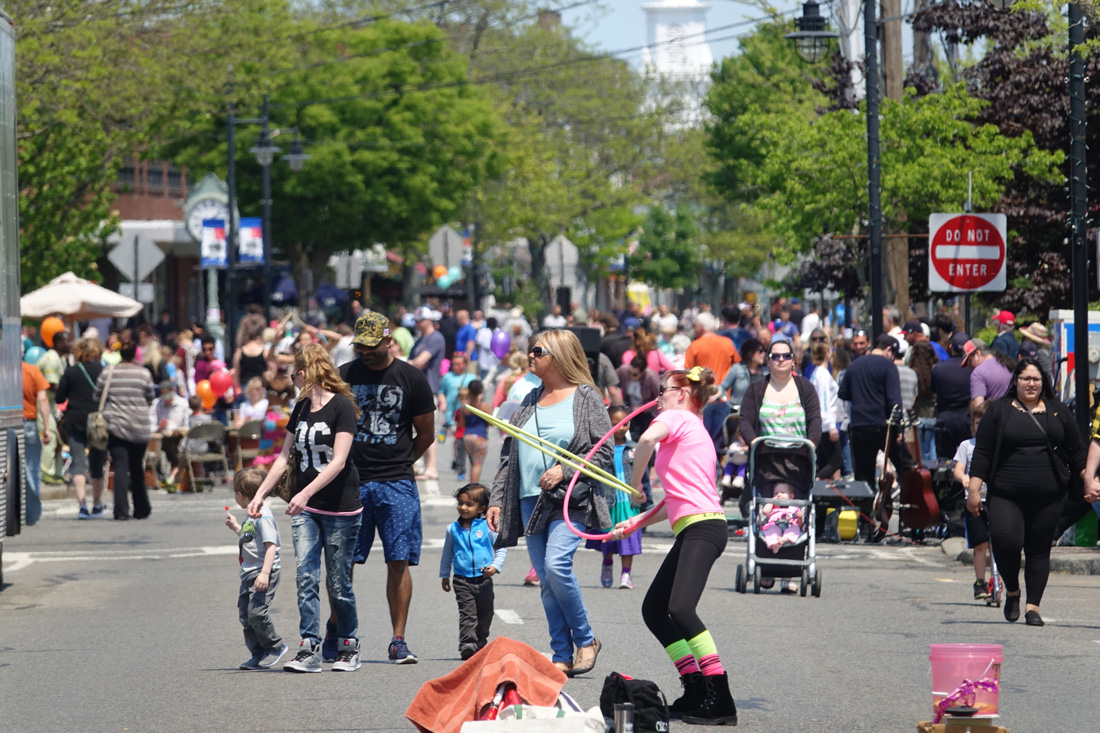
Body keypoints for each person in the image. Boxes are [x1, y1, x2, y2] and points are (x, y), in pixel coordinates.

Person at [609, 367, 737, 727]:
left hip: (705, 526)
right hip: (693, 526)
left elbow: (645, 441)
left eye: (663, 390)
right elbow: (675, 501)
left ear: (681, 393)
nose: (657, 397)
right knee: (654, 609)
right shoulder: (685, 430)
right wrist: (635, 521)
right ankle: (694, 687)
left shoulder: (679, 417)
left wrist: (635, 485)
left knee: (680, 608)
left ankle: (719, 695)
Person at [487, 329, 613, 678]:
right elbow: (509, 455)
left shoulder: (586, 397)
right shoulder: (529, 398)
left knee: (557, 567)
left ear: (557, 355)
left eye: (537, 351)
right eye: (530, 350)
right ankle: (561, 651)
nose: (530, 355)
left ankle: (586, 640)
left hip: (570, 499)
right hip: (529, 498)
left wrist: (565, 468)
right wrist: (497, 499)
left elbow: (603, 449)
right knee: (545, 579)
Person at [249, 343, 364, 672]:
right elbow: (284, 457)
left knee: (338, 582)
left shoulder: (341, 407)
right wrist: (261, 493)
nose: (290, 377)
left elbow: (339, 461)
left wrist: (306, 492)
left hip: (340, 508)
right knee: (305, 577)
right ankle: (309, 646)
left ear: (307, 371)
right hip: (307, 511)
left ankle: (348, 646)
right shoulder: (300, 409)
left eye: (293, 372)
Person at [340, 311, 435, 664]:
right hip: (352, 482)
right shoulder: (345, 376)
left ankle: (398, 640)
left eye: (371, 345)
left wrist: (400, 461)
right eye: (360, 346)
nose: (365, 351)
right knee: (343, 561)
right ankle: (341, 632)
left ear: (387, 340)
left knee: (398, 561)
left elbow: (425, 433)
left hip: (396, 483)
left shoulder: (411, 377)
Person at [967, 357, 1088, 626]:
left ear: (1043, 382)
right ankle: (1012, 590)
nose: (1031, 384)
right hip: (1005, 492)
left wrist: (1088, 479)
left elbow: (1077, 451)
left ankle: (1033, 606)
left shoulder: (1058, 411)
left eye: (1036, 379)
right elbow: (983, 454)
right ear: (1016, 382)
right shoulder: (998, 411)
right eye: (1025, 379)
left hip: (1050, 494)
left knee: (1038, 548)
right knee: (1005, 540)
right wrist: (974, 490)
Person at [837, 334, 911, 541]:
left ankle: (866, 525)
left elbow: (844, 394)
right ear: (889, 350)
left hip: (859, 425)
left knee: (863, 478)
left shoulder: (854, 365)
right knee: (907, 468)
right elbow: (894, 402)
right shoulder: (888, 367)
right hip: (883, 426)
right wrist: (899, 430)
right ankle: (911, 518)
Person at [738, 338, 822, 515]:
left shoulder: (805, 388)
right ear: (768, 361)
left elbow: (815, 420)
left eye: (786, 355)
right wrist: (753, 442)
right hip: (766, 459)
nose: (781, 359)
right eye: (775, 356)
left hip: (798, 459)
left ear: (793, 361)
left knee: (798, 511)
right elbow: (745, 420)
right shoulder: (755, 389)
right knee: (766, 512)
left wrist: (812, 444)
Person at [226, 468, 287, 670]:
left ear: (240, 495)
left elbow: (271, 546)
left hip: (263, 571)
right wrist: (236, 527)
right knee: (246, 614)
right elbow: (250, 540)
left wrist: (265, 573)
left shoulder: (263, 517)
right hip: (249, 572)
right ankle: (257, 653)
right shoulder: (251, 516)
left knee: (257, 613)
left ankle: (275, 646)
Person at [440, 483, 508, 660]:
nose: (463, 507)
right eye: (461, 503)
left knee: (486, 614)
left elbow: (501, 548)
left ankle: (480, 643)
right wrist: (444, 575)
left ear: (482, 508)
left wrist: (495, 566)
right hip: (462, 580)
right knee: (467, 614)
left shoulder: (487, 527)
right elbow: (447, 553)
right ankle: (467, 644)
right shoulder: (452, 529)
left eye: (469, 504)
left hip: (484, 579)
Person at [94, 341, 155, 521]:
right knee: (137, 467)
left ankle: (121, 510)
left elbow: (97, 396)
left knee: (120, 467)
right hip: (139, 426)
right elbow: (150, 397)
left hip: (116, 425)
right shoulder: (144, 374)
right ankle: (141, 508)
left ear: (120, 354)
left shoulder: (108, 373)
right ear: (135, 354)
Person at [585, 405, 642, 590]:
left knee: (628, 539)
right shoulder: (600, 449)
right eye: (615, 424)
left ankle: (626, 574)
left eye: (625, 424)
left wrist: (645, 499)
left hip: (629, 503)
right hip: (608, 502)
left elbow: (642, 478)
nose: (621, 428)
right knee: (608, 538)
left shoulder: (635, 449)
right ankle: (607, 563)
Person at [55, 337, 107, 518]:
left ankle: (82, 506)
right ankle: (97, 504)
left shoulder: (71, 372)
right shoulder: (102, 371)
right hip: (97, 422)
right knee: (97, 464)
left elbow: (59, 398)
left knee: (78, 464)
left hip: (75, 420)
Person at [684, 312, 740, 451]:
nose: (694, 329)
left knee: (703, 440)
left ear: (701, 327)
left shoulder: (695, 346)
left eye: (695, 326)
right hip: (724, 398)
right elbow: (738, 365)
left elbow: (687, 373)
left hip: (702, 401)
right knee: (720, 442)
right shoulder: (727, 343)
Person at [953, 402, 992, 601]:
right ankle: (980, 581)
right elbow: (958, 468)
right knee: (980, 545)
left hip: (995, 500)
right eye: (977, 423)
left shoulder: (998, 446)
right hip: (975, 500)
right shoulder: (967, 446)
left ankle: (997, 579)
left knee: (998, 544)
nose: (980, 427)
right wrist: (964, 478)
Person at [409, 306, 446, 480]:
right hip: (416, 390)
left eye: (418, 321)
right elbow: (413, 362)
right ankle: (422, 465)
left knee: (428, 429)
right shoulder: (419, 340)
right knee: (415, 429)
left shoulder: (436, 338)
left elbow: (419, 362)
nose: (416, 324)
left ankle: (431, 468)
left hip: (429, 389)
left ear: (427, 321)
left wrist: (408, 363)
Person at [36, 329, 72, 485]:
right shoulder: (51, 358)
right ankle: (46, 471)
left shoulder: (60, 359)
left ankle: (57, 473)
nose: (69, 343)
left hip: (52, 404)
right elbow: (51, 385)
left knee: (58, 440)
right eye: (66, 341)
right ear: (58, 343)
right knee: (49, 437)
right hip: (41, 403)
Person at [932, 332, 974, 460]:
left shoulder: (938, 369)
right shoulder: (973, 370)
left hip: (945, 419)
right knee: (968, 459)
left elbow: (934, 392)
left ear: (950, 347)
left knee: (943, 461)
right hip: (966, 420)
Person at [21, 359, 51, 526]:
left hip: (5, 422)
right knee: (31, 469)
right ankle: (31, 514)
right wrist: (47, 427)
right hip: (29, 422)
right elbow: (43, 399)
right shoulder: (32, 371)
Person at [440, 352, 476, 479]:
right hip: (452, 414)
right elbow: (441, 392)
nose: (456, 367)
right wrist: (442, 402)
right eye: (454, 364)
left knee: (465, 440)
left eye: (459, 364)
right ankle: (458, 458)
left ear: (465, 364)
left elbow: (478, 394)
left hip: (467, 415)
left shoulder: (471, 378)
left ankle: (463, 462)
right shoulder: (447, 377)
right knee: (457, 439)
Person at [809, 343, 842, 479]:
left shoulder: (816, 373)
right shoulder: (822, 374)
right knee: (836, 461)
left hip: (820, 424)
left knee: (824, 461)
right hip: (825, 425)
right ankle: (815, 482)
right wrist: (831, 426)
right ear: (827, 353)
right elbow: (824, 401)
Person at [965, 338, 1015, 414]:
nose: (970, 366)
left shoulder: (978, 372)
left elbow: (977, 406)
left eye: (969, 361)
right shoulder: (1007, 364)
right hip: (1011, 415)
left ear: (978, 354)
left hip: (992, 419)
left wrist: (973, 425)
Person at [456, 381, 491, 483]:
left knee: (473, 462)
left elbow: (462, 424)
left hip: (467, 436)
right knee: (477, 464)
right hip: (480, 436)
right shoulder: (483, 406)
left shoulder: (465, 408)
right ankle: (473, 486)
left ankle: (472, 483)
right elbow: (492, 422)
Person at [760, 482, 804, 552]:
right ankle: (775, 544)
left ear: (791, 496)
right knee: (771, 530)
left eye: (782, 492)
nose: (779, 495)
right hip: (774, 524)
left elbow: (800, 525)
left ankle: (783, 539)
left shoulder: (794, 509)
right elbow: (765, 511)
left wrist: (800, 517)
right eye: (776, 493)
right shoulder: (773, 507)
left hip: (790, 525)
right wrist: (771, 501)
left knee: (795, 529)